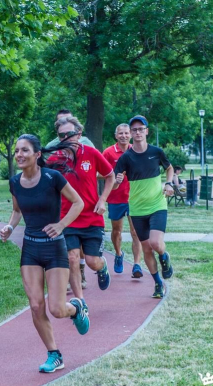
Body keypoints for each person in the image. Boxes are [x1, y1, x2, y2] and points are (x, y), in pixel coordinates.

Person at [0, 134, 88, 373]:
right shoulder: (15, 182)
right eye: (17, 150)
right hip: (30, 248)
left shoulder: (53, 178)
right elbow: (17, 211)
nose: (19, 154)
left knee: (57, 309)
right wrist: (10, 226)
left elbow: (78, 202)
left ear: (37, 155)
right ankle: (54, 354)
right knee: (36, 306)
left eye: (25, 150)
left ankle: (76, 308)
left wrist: (61, 225)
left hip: (54, 248)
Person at [47, 116, 115, 307]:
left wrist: (103, 200)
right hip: (67, 219)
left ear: (79, 134)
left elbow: (110, 176)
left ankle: (102, 267)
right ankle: (80, 301)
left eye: (70, 134)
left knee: (92, 261)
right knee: (72, 258)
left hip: (92, 217)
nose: (66, 138)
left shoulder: (91, 153)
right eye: (62, 135)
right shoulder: (54, 160)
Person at [114, 115, 174, 299]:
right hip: (138, 210)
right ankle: (157, 283)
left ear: (146, 131)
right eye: (134, 130)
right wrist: (117, 180)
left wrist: (169, 183)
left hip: (157, 205)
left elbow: (169, 168)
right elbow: (114, 181)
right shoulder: (126, 157)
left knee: (156, 243)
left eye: (141, 129)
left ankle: (164, 257)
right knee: (146, 249)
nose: (138, 132)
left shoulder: (156, 152)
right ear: (131, 134)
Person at [45, 109, 95, 288]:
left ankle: (81, 270)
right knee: (69, 246)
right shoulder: (53, 146)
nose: (65, 136)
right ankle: (70, 276)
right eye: (61, 125)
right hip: (63, 203)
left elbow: (95, 167)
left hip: (86, 203)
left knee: (83, 250)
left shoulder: (87, 143)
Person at [103, 123, 143, 278]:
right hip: (116, 197)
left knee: (135, 232)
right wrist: (114, 177)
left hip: (134, 198)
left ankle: (137, 265)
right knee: (116, 231)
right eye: (121, 133)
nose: (124, 136)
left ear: (131, 135)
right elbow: (100, 173)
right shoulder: (108, 153)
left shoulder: (137, 151)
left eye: (127, 133)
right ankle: (119, 254)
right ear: (116, 135)